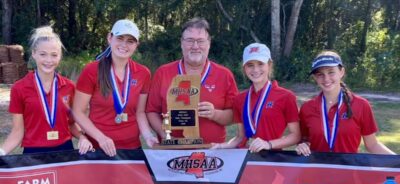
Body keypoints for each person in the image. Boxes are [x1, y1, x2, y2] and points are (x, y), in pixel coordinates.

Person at [0, 26, 92, 156]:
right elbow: (17, 132)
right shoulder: (19, 88)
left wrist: (83, 137)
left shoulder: (69, 87)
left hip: (65, 152)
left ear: (60, 56)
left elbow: (71, 124)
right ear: (34, 53)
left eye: (54, 55)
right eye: (43, 54)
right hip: (34, 155)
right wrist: (2, 152)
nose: (48, 60)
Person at [145, 17, 239, 144]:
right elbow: (151, 111)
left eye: (200, 41)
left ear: (209, 43)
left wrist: (214, 114)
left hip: (212, 154)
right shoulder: (163, 73)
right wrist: (166, 137)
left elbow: (234, 115)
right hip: (171, 154)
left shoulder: (224, 75)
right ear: (181, 43)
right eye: (190, 40)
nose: (195, 46)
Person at [73, 19, 158, 157]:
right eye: (120, 38)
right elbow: (78, 111)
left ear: (137, 45)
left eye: (130, 41)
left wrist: (148, 135)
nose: (124, 45)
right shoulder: (92, 70)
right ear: (109, 38)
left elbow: (140, 112)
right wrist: (101, 138)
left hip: (132, 148)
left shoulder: (143, 73)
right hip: (99, 147)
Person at [295, 50, 395, 155]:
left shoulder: (361, 105)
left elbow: (372, 145)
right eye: (320, 74)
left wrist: (396, 161)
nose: (326, 79)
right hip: (318, 170)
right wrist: (302, 145)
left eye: (331, 72)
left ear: (341, 72)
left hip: (348, 170)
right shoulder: (307, 108)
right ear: (315, 78)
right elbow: (304, 140)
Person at [212, 43, 301, 152]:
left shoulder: (286, 96)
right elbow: (241, 137)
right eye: (250, 65)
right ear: (244, 68)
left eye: (260, 64)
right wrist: (220, 146)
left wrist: (268, 144)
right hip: (246, 158)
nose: (255, 69)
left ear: (269, 65)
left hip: (272, 159)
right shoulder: (239, 99)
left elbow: (296, 136)